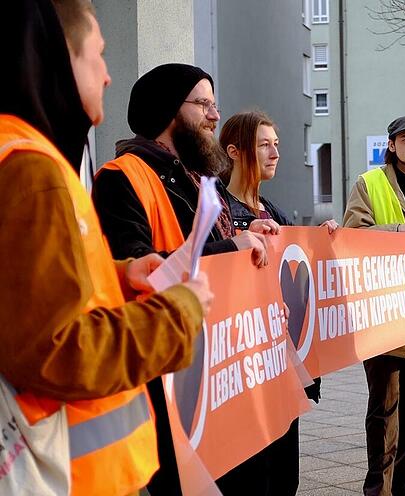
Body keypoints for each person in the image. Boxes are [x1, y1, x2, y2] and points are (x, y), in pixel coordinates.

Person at [0, 1, 213, 494]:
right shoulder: (34, 171)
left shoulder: (26, 158)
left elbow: (30, 292)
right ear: (59, 60)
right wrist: (179, 313)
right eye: (98, 54)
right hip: (77, 475)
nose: (109, 76)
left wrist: (120, 273)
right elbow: (56, 350)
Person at [91, 64, 269, 494]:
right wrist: (232, 250)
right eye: (204, 104)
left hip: (216, 370)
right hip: (168, 383)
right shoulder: (122, 177)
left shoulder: (198, 180)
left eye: (214, 104)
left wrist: (249, 236)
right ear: (171, 111)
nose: (214, 115)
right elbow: (136, 270)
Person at [218, 109, 337, 495]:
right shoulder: (216, 212)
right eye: (264, 145)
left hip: (281, 367)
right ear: (235, 152)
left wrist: (320, 243)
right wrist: (238, 236)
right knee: (250, 479)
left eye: (277, 145)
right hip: (243, 369)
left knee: (285, 479)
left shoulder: (277, 212)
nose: (275, 153)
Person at [343, 115, 405, 496]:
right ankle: (379, 487)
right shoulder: (369, 184)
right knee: (385, 404)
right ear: (391, 145)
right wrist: (399, 230)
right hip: (384, 310)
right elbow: (352, 235)